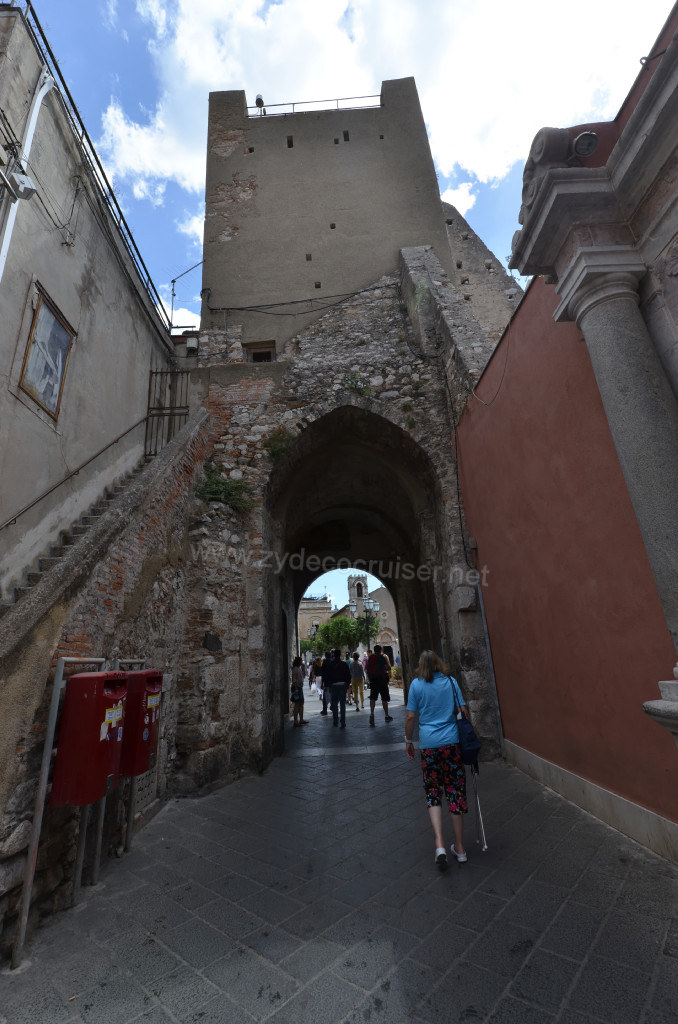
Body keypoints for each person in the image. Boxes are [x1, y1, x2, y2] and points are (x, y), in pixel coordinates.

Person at [405, 649, 470, 870]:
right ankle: (460, 848)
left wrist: (408, 740)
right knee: (455, 791)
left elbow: (411, 716)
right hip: (451, 744)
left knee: (433, 792)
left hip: (429, 746)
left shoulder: (416, 685)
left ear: (421, 666)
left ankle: (440, 844)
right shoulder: (451, 682)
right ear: (439, 663)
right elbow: (463, 711)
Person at [366, 644, 392, 726]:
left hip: (373, 681)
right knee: (384, 698)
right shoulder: (382, 657)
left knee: (373, 698)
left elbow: (367, 668)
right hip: (382, 680)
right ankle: (386, 715)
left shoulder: (370, 658)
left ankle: (372, 714)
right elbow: (388, 667)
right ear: (381, 650)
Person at [327, 649, 351, 727]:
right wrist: (347, 684)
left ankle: (335, 720)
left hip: (334, 686)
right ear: (340, 655)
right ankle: (343, 721)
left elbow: (328, 676)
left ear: (334, 655)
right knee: (342, 704)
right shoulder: (344, 664)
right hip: (342, 685)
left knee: (334, 703)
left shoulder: (330, 665)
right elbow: (348, 675)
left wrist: (329, 685)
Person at [290, 656, 309, 727]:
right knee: (297, 704)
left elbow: (303, 676)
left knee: (301, 703)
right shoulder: (295, 669)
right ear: (298, 661)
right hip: (297, 688)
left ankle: (301, 719)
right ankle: (295, 721)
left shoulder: (299, 668)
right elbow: (294, 679)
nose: (302, 662)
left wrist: (303, 668)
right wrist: (296, 689)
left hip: (299, 687)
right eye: (301, 661)